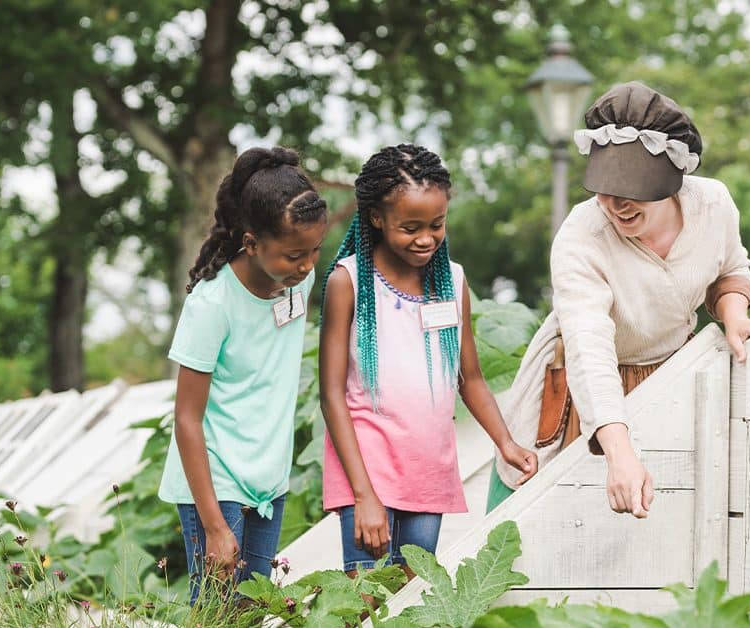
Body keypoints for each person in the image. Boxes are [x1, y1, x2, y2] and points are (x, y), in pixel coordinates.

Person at [488, 81, 750, 517]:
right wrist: (618, 454)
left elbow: (731, 267)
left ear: (672, 178)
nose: (615, 203)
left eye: (632, 187)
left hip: (669, 372)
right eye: (605, 186)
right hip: (580, 382)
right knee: (544, 517)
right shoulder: (582, 236)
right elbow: (590, 349)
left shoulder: (713, 204)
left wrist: (732, 314)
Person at [319, 144, 538, 577]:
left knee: (411, 600)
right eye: (410, 227)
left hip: (427, 473)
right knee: (362, 603)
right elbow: (331, 395)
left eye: (436, 225)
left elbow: (469, 378)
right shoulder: (348, 281)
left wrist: (506, 443)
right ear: (377, 219)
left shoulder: (451, 280)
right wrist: (364, 495)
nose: (425, 238)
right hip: (367, 473)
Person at [157, 146, 328, 603]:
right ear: (251, 243)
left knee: (251, 609)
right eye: (294, 254)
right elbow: (187, 419)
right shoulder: (212, 305)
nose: (308, 265)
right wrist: (214, 524)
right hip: (215, 479)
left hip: (268, 477)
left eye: (314, 250)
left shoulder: (299, 279)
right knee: (216, 610)